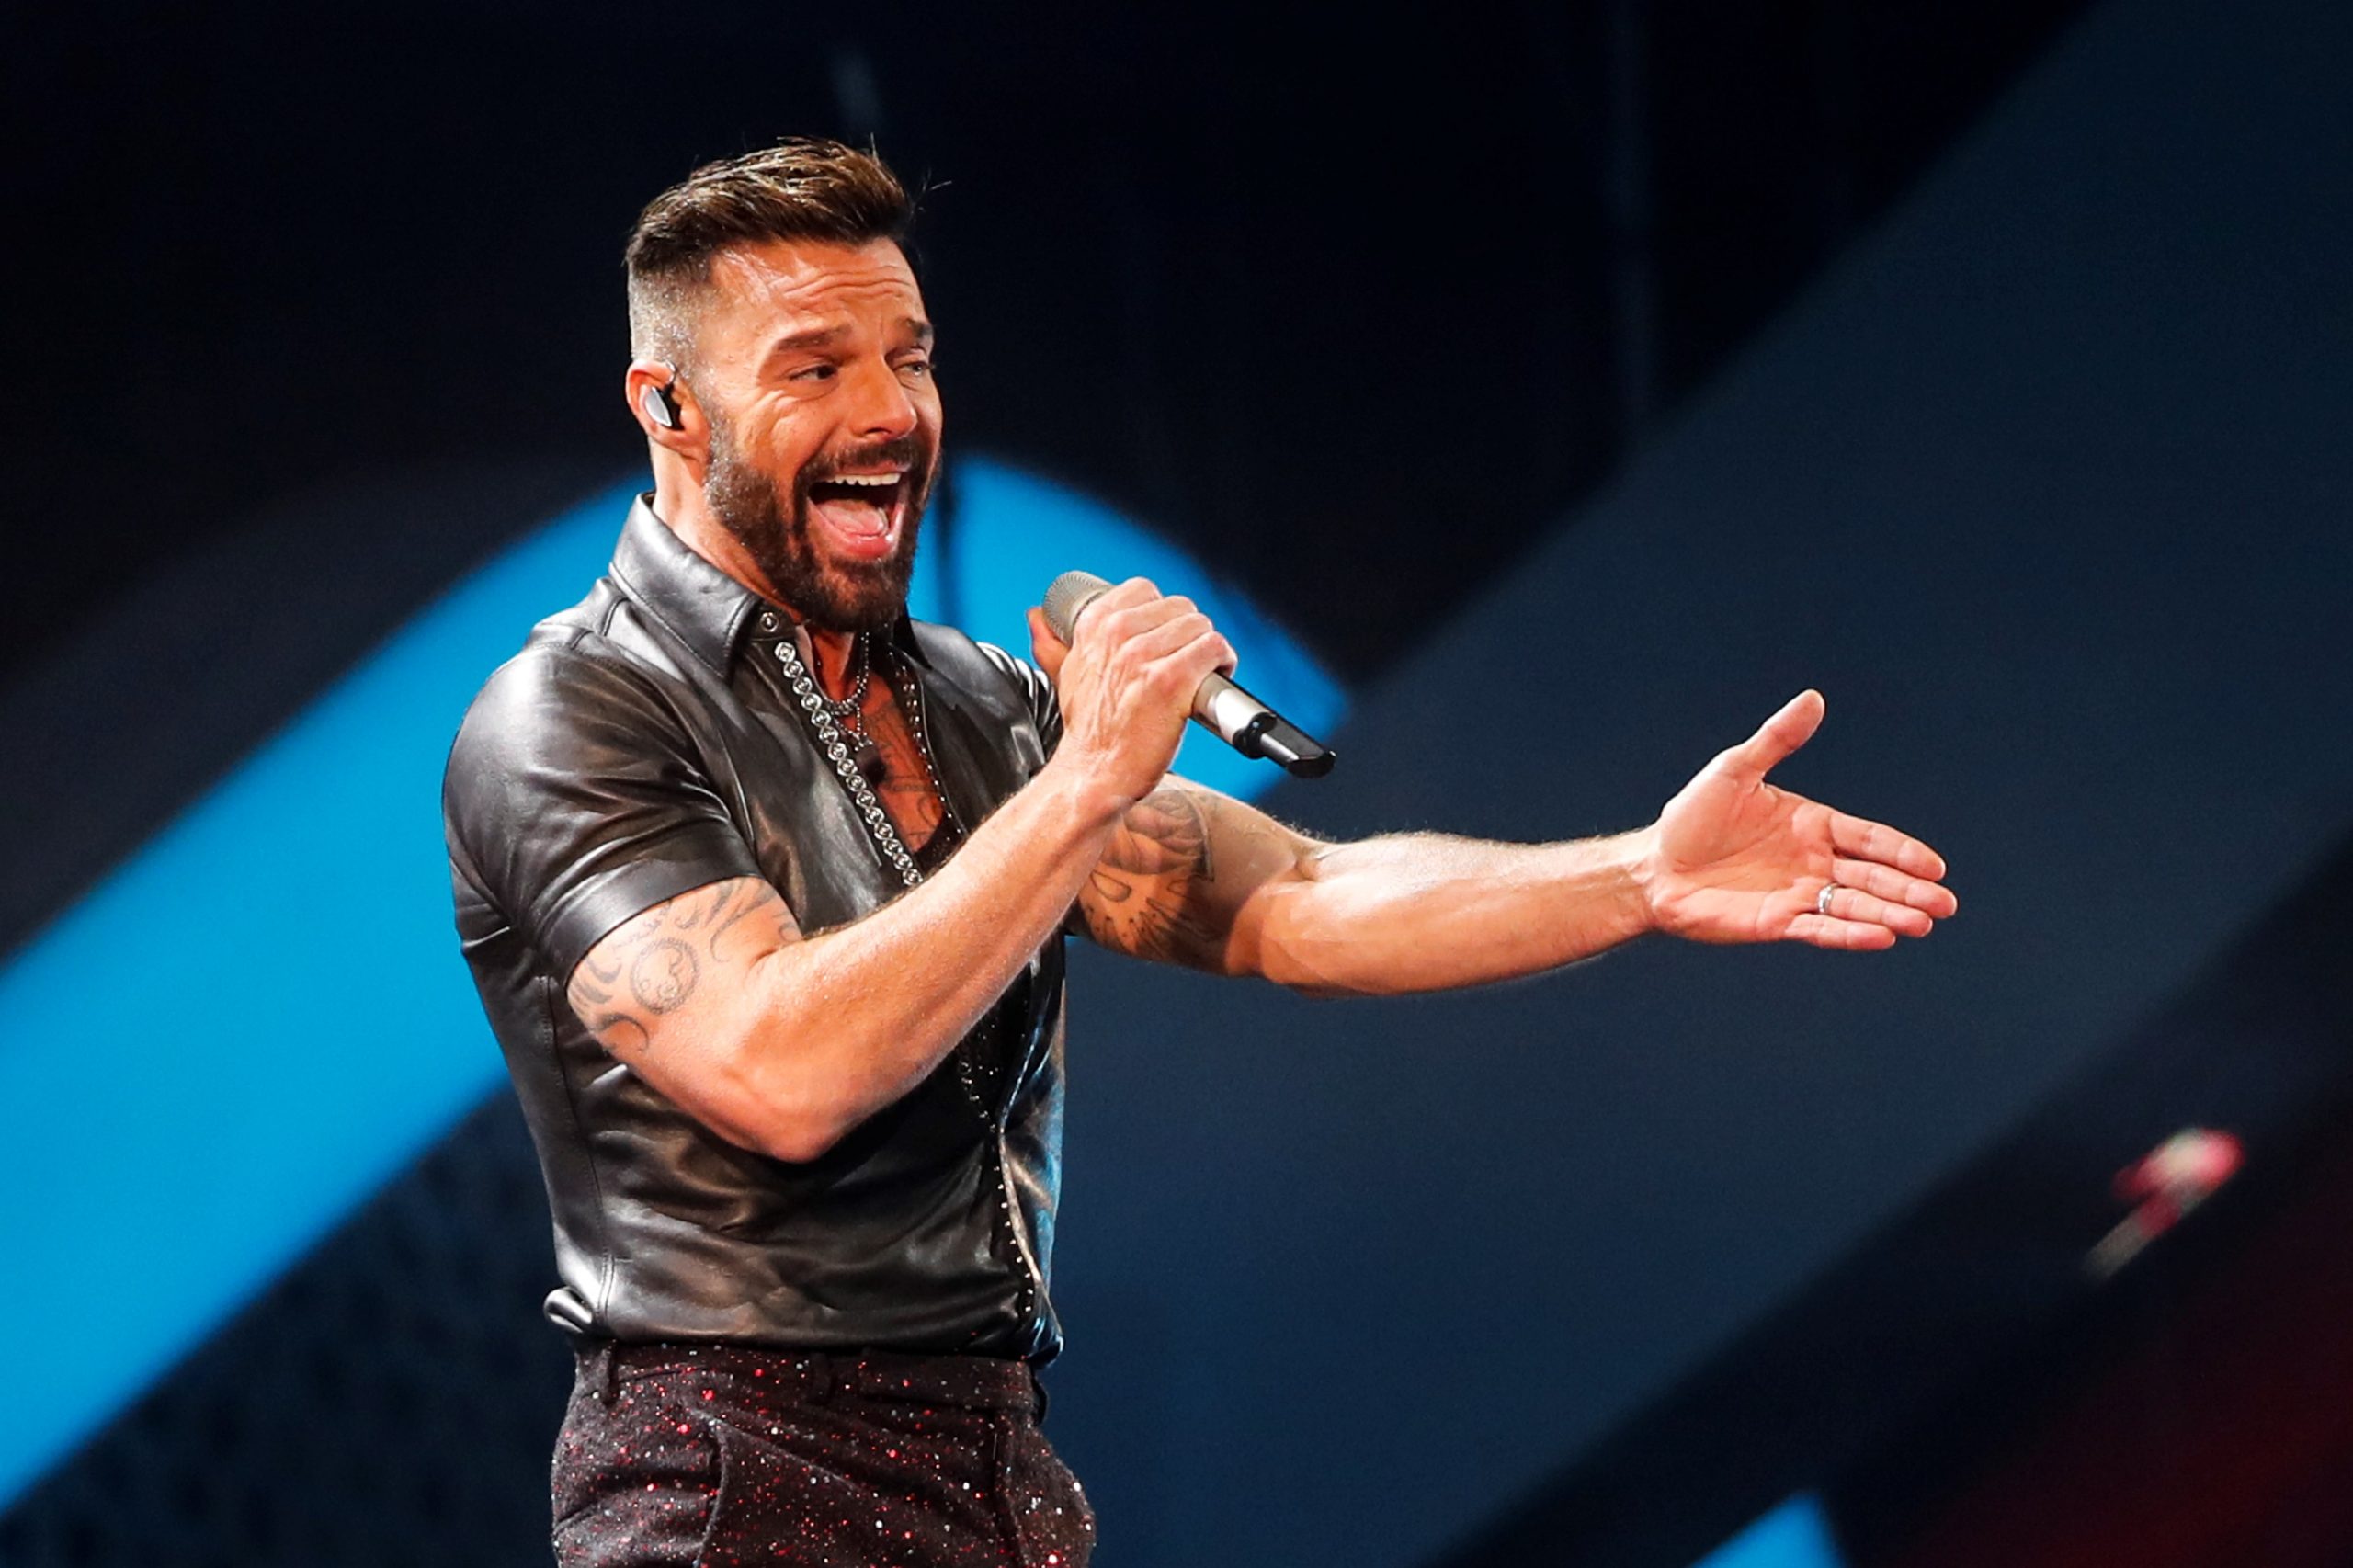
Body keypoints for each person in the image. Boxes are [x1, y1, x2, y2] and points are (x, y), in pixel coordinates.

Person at [441, 138, 1956, 1568]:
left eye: (911, 357)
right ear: (670, 408)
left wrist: (1637, 873)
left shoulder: (974, 707)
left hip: (992, 1460)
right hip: (732, 1473)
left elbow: (1301, 897)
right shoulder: (570, 715)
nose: (891, 412)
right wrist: (1090, 771)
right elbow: (775, 1069)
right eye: (815, 369)